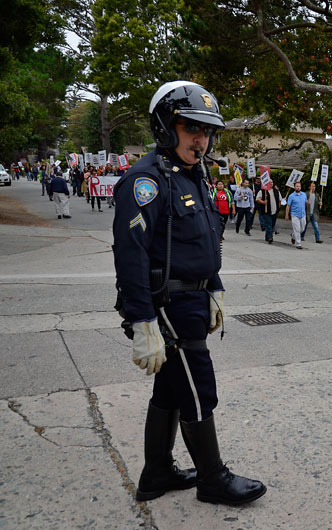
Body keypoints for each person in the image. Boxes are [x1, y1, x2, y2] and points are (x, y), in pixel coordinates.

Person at [112, 80, 265, 506]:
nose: (201, 139)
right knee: (198, 388)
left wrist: (214, 286)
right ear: (166, 126)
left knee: (171, 390)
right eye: (190, 127)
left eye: (206, 131)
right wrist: (142, 320)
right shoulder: (146, 181)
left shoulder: (193, 175)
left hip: (193, 300)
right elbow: (131, 254)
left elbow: (202, 239)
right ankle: (213, 480)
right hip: (168, 306)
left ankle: (156, 473)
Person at [256, 179, 282, 243]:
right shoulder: (263, 191)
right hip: (266, 211)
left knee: (272, 224)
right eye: (269, 182)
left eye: (272, 182)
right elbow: (257, 199)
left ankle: (267, 236)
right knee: (268, 224)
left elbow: (279, 200)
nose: (271, 183)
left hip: (275, 211)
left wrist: (278, 208)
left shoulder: (276, 191)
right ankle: (270, 237)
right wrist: (263, 202)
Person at [285, 180, 307, 249]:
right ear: (294, 187)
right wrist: (287, 215)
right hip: (295, 215)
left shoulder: (304, 194)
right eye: (297, 186)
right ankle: (298, 243)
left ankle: (293, 235)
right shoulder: (291, 196)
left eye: (299, 186)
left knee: (302, 228)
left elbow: (306, 203)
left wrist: (308, 203)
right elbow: (288, 206)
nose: (298, 187)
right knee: (297, 229)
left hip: (303, 214)